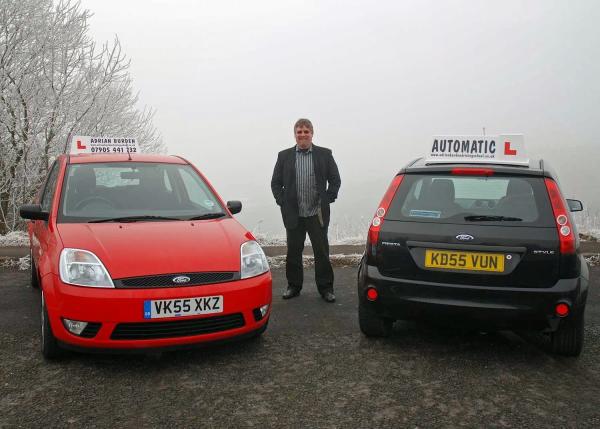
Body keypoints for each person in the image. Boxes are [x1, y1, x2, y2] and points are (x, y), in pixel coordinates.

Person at [271, 118, 341, 303]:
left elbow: (335, 180)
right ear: (295, 134)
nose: (302, 135)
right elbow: (275, 183)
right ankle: (293, 286)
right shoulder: (284, 156)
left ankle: (326, 288)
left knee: (321, 252)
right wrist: (282, 202)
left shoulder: (324, 154)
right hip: (294, 213)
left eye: (306, 131)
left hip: (316, 213)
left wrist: (327, 198)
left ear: (312, 133)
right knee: (293, 252)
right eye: (299, 132)